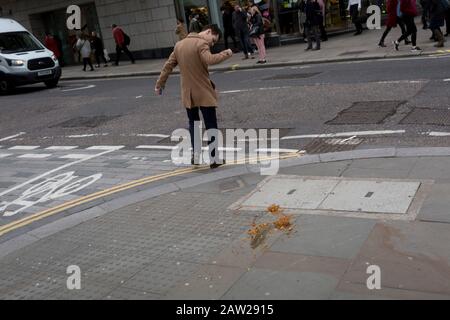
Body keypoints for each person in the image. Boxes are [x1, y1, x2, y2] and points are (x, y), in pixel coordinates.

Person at [154, 25, 233, 169]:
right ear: (208, 31)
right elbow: (209, 59)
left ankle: (196, 156)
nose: (212, 43)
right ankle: (214, 159)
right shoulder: (201, 43)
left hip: (188, 94)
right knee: (211, 125)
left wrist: (160, 84)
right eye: (213, 40)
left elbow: (168, 66)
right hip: (203, 92)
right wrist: (226, 53)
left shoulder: (179, 45)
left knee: (194, 124)